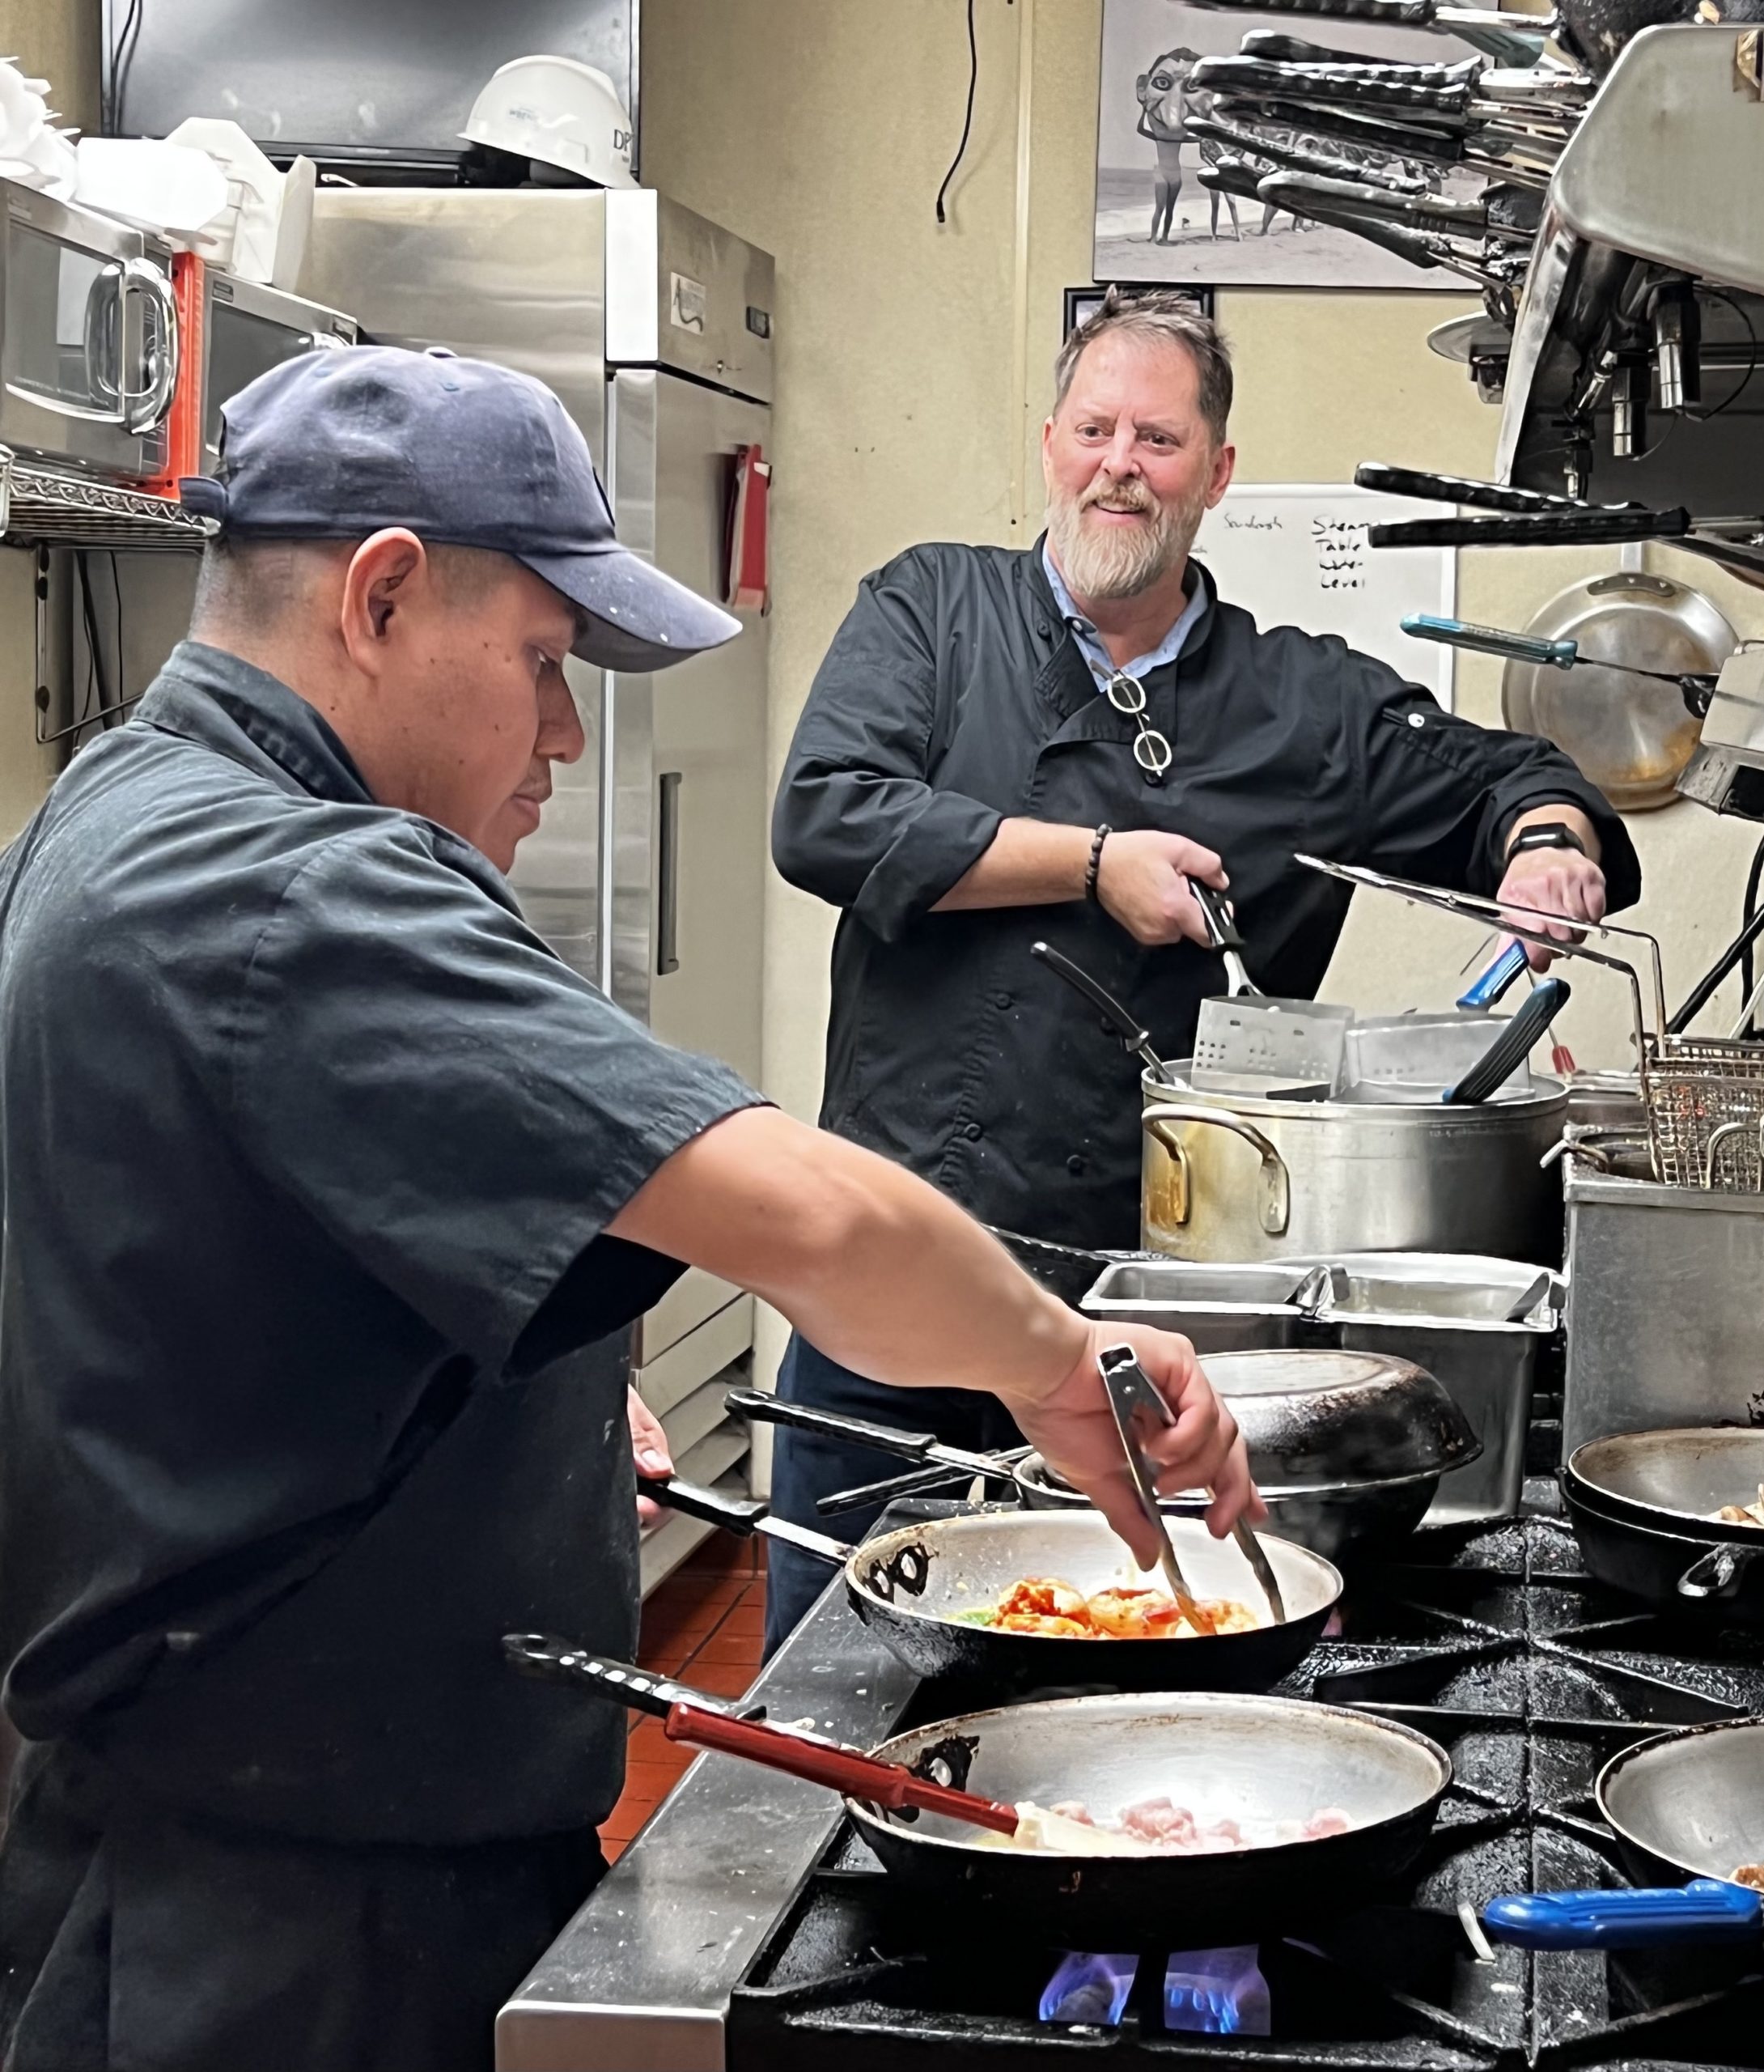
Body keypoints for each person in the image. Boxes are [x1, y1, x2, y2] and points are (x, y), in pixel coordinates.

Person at [0, 346, 1256, 2072]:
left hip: (220, 1856)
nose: (568, 733)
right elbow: (812, 1220)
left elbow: (232, 1272)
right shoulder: (294, 886)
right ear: (379, 595)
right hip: (297, 1939)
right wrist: (1064, 1361)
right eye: (541, 661)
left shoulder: (113, 814)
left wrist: (529, 1387)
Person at [765, 287, 1643, 1653]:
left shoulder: (1305, 704)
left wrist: (1545, 845)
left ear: (1217, 474)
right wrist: (1093, 860)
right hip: (901, 1272)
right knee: (842, 1665)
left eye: (1160, 440)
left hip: (1158, 1311)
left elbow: (1512, 775)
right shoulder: (934, 608)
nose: (1122, 464)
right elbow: (825, 812)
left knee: (1126, 1658)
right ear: (1050, 442)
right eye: (1096, 429)